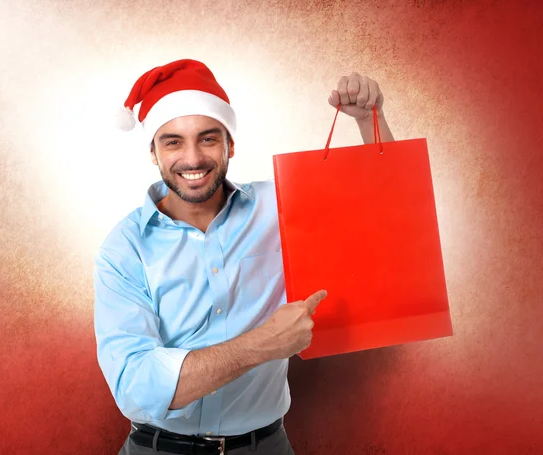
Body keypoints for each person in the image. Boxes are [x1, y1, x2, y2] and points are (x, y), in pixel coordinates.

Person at [93, 59, 395, 455]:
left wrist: (369, 122)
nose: (193, 158)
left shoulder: (282, 206)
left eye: (208, 138)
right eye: (173, 142)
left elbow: (388, 213)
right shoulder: (124, 247)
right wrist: (264, 343)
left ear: (230, 145)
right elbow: (136, 386)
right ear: (153, 152)